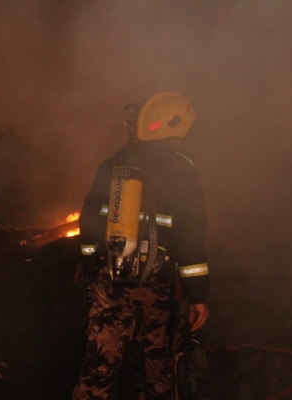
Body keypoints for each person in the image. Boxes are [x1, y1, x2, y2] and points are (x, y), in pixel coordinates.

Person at [73, 92, 210, 400]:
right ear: (177, 129)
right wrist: (198, 295)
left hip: (110, 282)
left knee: (97, 370)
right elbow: (191, 238)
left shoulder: (112, 165)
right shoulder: (184, 172)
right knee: (157, 371)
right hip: (157, 286)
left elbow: (89, 224)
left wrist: (86, 262)